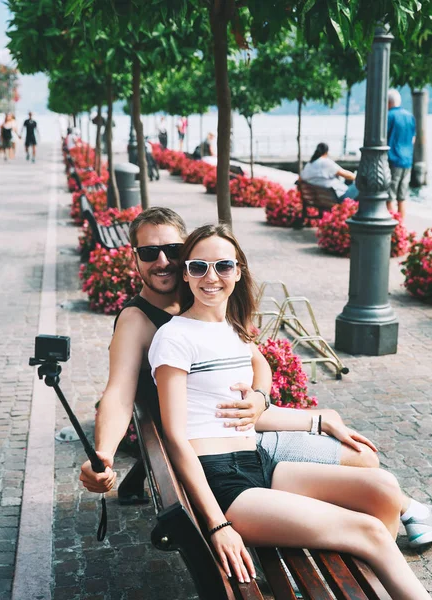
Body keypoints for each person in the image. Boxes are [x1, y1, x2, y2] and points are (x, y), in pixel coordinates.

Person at [79, 207, 432, 548]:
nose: (162, 261)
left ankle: (386, 521)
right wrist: (104, 454)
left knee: (357, 450)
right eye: (149, 252)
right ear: (134, 258)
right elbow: (119, 394)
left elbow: (258, 362)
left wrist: (260, 397)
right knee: (361, 459)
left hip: (247, 431)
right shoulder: (139, 321)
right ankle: (396, 516)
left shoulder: (206, 302)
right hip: (219, 448)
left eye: (172, 250)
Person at [146, 223, 430, 597]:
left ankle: (371, 580)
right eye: (199, 267)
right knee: (371, 531)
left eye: (223, 266)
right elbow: (176, 436)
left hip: (257, 462)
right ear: (185, 273)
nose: (211, 277)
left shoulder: (231, 329)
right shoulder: (175, 337)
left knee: (383, 488)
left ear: (239, 270)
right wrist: (217, 525)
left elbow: (251, 414)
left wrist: (318, 419)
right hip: (222, 484)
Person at [387, 89, 416, 221]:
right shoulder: (410, 116)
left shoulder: (389, 116)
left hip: (393, 159)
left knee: (390, 195)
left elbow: (383, 137)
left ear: (388, 102)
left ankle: (391, 226)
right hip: (407, 160)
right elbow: (413, 139)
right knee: (402, 196)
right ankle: (401, 226)